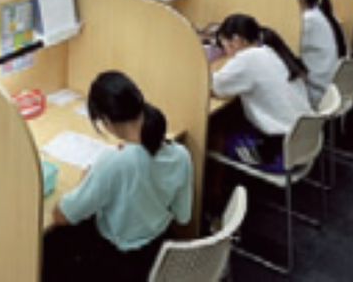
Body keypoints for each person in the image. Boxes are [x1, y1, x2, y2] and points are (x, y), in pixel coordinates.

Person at [43, 71, 192, 282]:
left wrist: (84, 183)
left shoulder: (114, 163)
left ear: (106, 121)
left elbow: (61, 215)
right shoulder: (181, 154)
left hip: (121, 263)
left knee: (54, 241)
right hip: (160, 252)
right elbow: (183, 216)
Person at [212, 14, 312, 170]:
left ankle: (220, 184)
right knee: (234, 117)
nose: (225, 52)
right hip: (305, 140)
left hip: (282, 152)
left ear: (237, 41)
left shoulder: (247, 59)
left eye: (224, 46)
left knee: (215, 136)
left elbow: (217, 87)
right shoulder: (271, 50)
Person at [287, 0, 346, 109]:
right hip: (326, 84)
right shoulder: (316, 13)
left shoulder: (308, 21)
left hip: (317, 92)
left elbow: (287, 47)